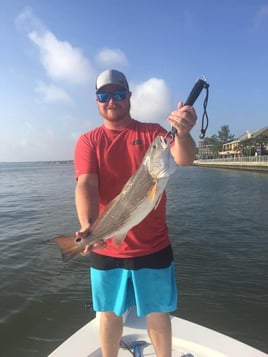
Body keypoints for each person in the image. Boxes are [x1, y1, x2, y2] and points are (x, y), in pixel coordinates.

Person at [74, 69, 197, 357]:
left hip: (153, 245)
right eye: (104, 95)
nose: (111, 100)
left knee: (158, 313)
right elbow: (86, 184)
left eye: (118, 94)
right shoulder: (89, 141)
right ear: (96, 101)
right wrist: (87, 226)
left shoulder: (153, 133)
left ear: (129, 97)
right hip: (106, 246)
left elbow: (184, 158)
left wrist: (184, 133)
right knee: (108, 314)